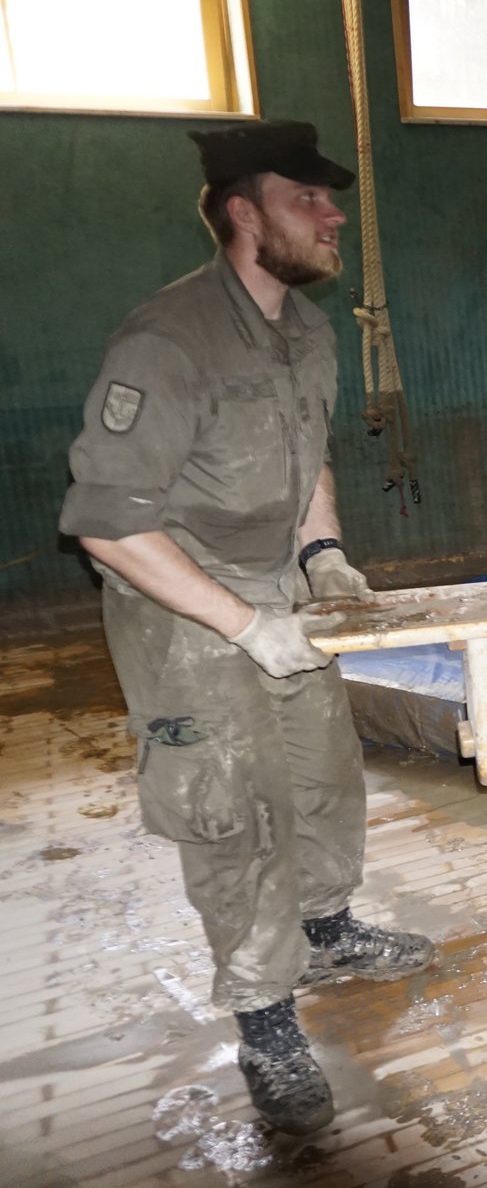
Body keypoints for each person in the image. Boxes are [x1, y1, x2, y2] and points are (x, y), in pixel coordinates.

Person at [59, 121, 435, 1137]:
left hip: (278, 581)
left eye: (332, 200)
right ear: (242, 210)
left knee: (321, 768)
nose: (334, 214)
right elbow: (106, 525)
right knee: (235, 810)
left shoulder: (303, 329)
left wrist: (321, 555)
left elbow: (305, 454)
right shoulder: (167, 339)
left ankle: (327, 927)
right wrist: (242, 623)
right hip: (181, 600)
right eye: (308, 198)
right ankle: (265, 1013)